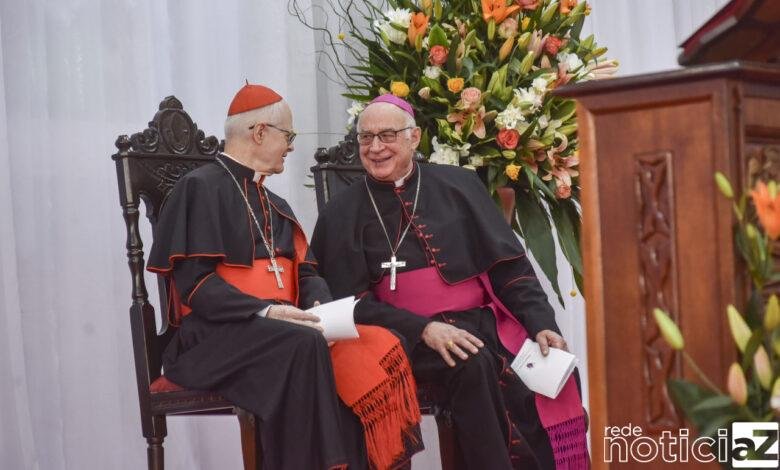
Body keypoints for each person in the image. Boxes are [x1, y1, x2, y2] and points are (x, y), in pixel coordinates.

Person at [147, 84, 421, 470]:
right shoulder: (200, 188)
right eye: (288, 136)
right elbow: (196, 286)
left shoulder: (274, 203)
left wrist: (320, 308)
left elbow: (306, 272)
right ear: (260, 132)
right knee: (303, 343)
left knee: (375, 341)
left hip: (278, 330)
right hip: (212, 337)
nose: (291, 147)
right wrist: (267, 312)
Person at [311, 94, 589, 470]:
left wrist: (542, 324)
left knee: (552, 369)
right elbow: (348, 304)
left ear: (414, 137)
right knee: (471, 362)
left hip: (483, 324)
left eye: (387, 135)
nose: (375, 148)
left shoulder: (460, 185)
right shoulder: (340, 213)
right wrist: (423, 329)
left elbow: (510, 269)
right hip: (402, 336)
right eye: (366, 138)